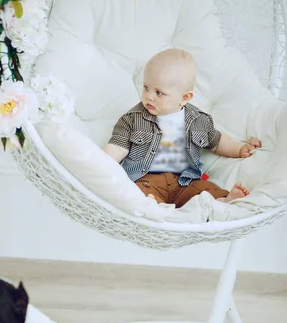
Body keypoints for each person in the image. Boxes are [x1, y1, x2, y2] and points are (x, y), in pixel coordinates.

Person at [104, 48, 261, 208]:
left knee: (205, 190)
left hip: (185, 180)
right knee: (137, 193)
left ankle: (222, 201)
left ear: (185, 98)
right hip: (146, 179)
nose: (149, 96)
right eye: (146, 88)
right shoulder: (132, 119)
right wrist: (100, 166)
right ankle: (154, 207)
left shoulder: (198, 120)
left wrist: (240, 149)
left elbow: (216, 141)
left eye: (159, 92)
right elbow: (118, 147)